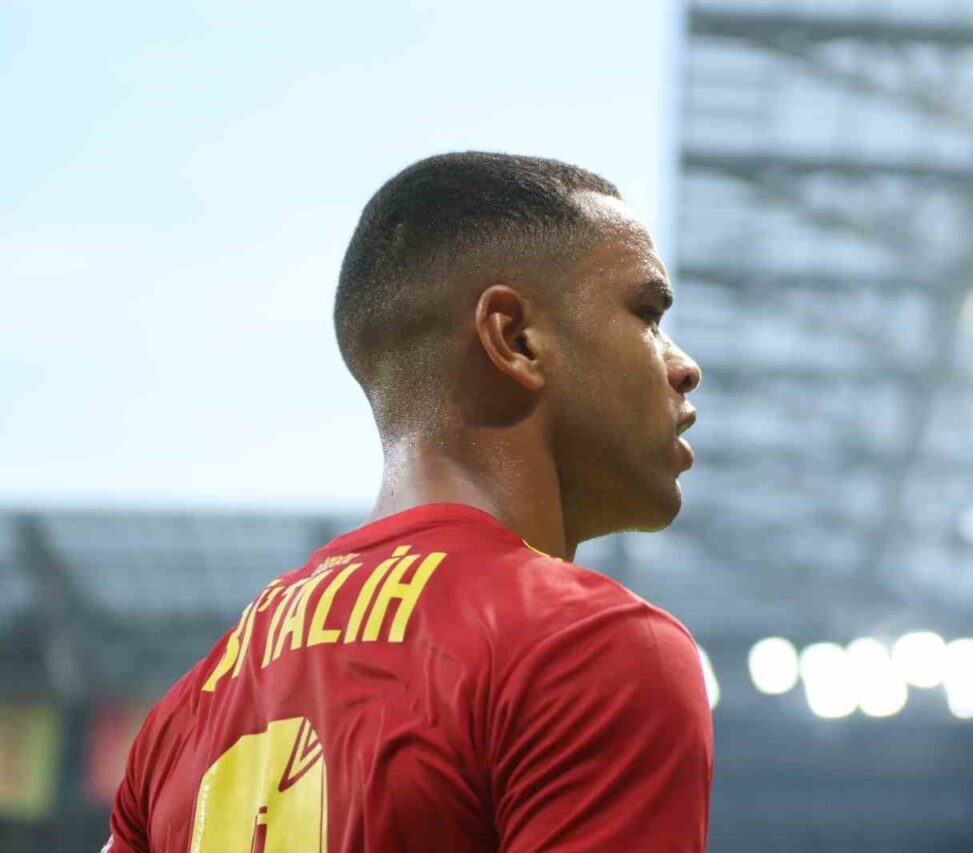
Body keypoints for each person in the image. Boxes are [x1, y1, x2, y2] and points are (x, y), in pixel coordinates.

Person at [104, 152, 711, 852]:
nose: (684, 365)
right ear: (515, 338)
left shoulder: (188, 710)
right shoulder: (592, 650)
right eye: (648, 314)